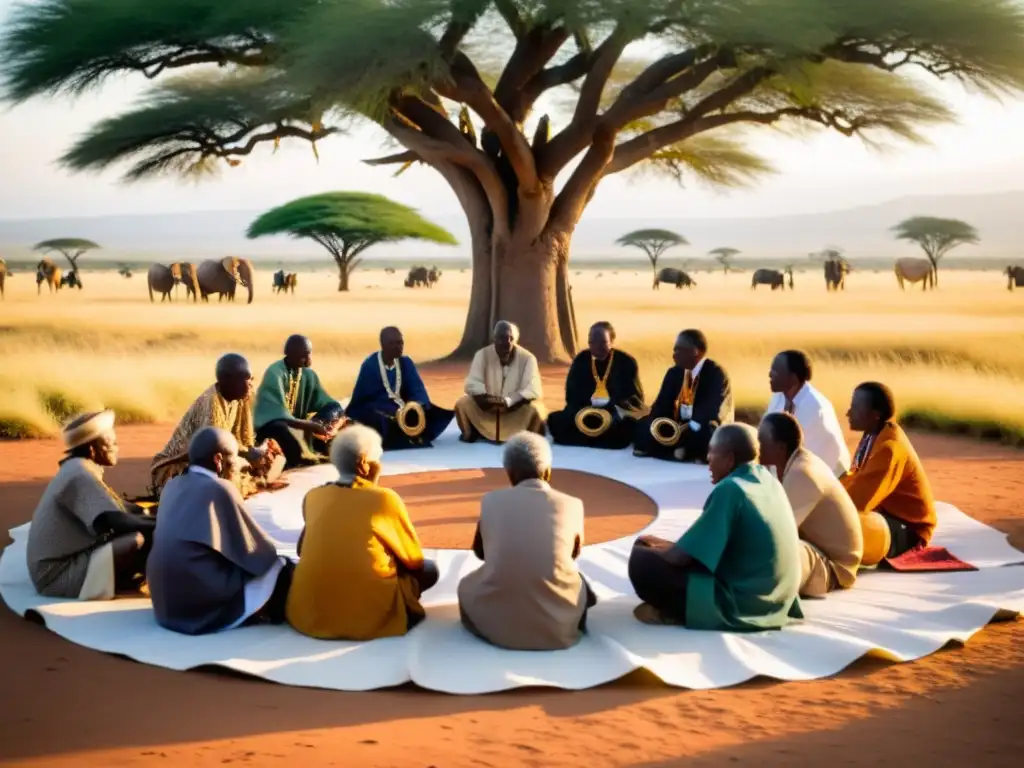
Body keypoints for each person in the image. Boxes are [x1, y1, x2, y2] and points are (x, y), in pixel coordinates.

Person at [628, 423, 803, 629]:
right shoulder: (768, 479)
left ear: (729, 459)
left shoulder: (731, 489)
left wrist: (648, 549)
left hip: (746, 603)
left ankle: (680, 612)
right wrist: (660, 545)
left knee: (642, 562)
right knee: (653, 547)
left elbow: (680, 557)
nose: (708, 458)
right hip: (779, 596)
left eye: (712, 452)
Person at [286, 425, 439, 640]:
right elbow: (414, 561)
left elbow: (302, 550)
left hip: (309, 617)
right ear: (365, 464)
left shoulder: (313, 496)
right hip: (370, 617)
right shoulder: (384, 499)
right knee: (430, 570)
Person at [147, 427, 293, 635]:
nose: (236, 465)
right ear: (218, 459)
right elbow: (256, 552)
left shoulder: (172, 485)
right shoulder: (220, 488)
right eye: (233, 458)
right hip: (198, 600)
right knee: (278, 566)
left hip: (164, 600)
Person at [458, 433, 597, 650]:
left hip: (499, 627)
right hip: (556, 629)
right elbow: (572, 555)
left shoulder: (491, 501)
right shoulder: (573, 504)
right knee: (578, 581)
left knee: (466, 586)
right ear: (548, 471)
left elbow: (481, 553)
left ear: (509, 473)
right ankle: (568, 619)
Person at [27, 411, 155, 600]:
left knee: (146, 523)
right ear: (91, 449)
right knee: (139, 538)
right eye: (111, 443)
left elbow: (124, 508)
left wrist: (154, 514)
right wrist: (161, 524)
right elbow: (114, 521)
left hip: (58, 565)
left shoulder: (79, 467)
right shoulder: (80, 474)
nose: (116, 448)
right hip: (55, 577)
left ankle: (122, 580)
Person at [758, 412, 863, 597]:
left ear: (780, 448)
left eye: (761, 440)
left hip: (834, 568)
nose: (756, 446)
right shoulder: (792, 464)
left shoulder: (802, 473)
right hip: (816, 548)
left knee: (770, 552)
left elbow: (775, 531)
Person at [150, 353, 284, 498]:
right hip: (179, 469)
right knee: (230, 466)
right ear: (227, 380)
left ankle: (247, 482)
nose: (251, 385)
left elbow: (241, 440)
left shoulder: (239, 399)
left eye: (251, 379)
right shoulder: (212, 402)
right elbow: (214, 448)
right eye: (246, 380)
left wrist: (255, 451)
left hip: (218, 458)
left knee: (270, 449)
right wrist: (247, 454)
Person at [841, 382, 937, 562]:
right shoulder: (873, 435)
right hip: (887, 515)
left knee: (840, 529)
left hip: (910, 531)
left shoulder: (889, 448)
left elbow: (858, 503)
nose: (848, 413)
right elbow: (855, 478)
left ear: (875, 415)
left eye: (855, 407)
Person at [346, 326, 455, 449]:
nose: (399, 347)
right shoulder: (370, 365)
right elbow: (364, 397)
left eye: (400, 342)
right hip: (379, 408)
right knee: (379, 419)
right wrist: (392, 411)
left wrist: (415, 405)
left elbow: (416, 388)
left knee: (432, 414)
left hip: (404, 405)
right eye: (393, 343)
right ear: (383, 345)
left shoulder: (405, 362)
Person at [633, 329, 733, 462]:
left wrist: (688, 427)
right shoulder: (674, 372)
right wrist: (655, 421)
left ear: (696, 351)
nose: (674, 355)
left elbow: (712, 408)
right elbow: (662, 403)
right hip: (679, 423)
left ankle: (681, 451)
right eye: (674, 350)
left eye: (679, 350)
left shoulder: (715, 373)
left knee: (708, 433)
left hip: (701, 424)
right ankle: (682, 452)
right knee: (643, 425)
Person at [547, 321, 646, 450]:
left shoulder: (626, 362)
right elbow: (571, 393)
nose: (597, 346)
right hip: (585, 411)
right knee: (555, 420)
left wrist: (610, 406)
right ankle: (595, 438)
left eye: (603, 342)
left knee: (628, 425)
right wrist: (586, 408)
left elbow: (634, 397)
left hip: (612, 413)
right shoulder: (581, 359)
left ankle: (592, 438)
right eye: (592, 342)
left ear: (611, 341)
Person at [253, 335, 346, 468]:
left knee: (335, 408)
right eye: (303, 356)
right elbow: (278, 415)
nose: (308, 360)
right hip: (273, 426)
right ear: (289, 354)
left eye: (309, 354)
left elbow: (326, 403)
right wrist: (309, 426)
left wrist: (319, 423)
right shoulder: (275, 373)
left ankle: (316, 442)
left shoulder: (308, 374)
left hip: (300, 425)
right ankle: (295, 458)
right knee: (281, 428)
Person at [453, 320, 546, 444]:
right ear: (495, 339)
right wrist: (490, 400)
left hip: (515, 412)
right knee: (462, 403)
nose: (507, 343)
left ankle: (527, 438)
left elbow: (533, 389)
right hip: (487, 410)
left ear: (515, 340)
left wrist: (509, 401)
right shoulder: (482, 355)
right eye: (502, 338)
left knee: (536, 409)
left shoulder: (528, 358)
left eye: (511, 339)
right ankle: (471, 433)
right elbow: (472, 384)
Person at [765, 350, 850, 475]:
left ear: (793, 378)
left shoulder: (816, 407)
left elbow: (814, 457)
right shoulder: (778, 398)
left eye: (776, 370)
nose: (770, 374)